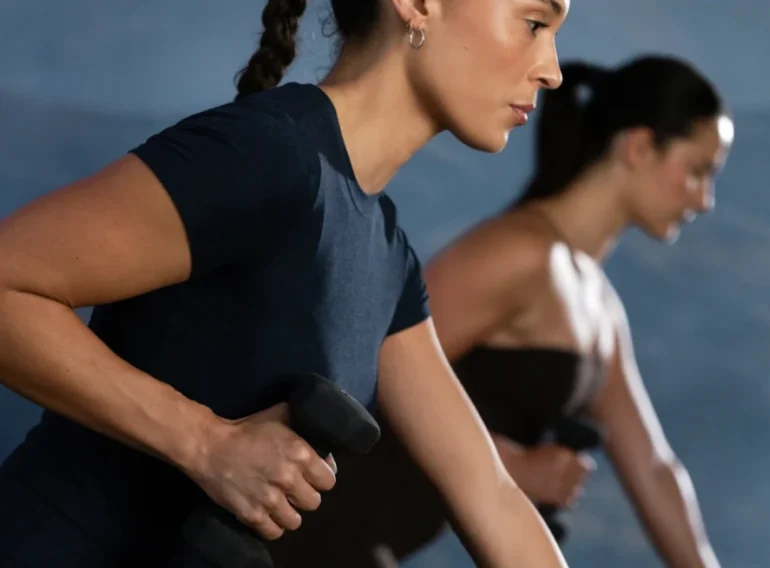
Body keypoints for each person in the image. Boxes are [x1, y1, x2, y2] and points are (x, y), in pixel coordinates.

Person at [0, 0, 573, 567]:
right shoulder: (271, 154)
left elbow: (491, 497)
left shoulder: (386, 255)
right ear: (418, 5)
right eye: (534, 24)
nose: (552, 68)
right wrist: (205, 442)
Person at [267, 55, 734, 568]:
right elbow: (363, 365)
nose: (706, 199)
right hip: (310, 537)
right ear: (638, 147)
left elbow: (654, 467)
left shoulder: (600, 308)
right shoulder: (521, 253)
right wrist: (508, 461)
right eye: (697, 171)